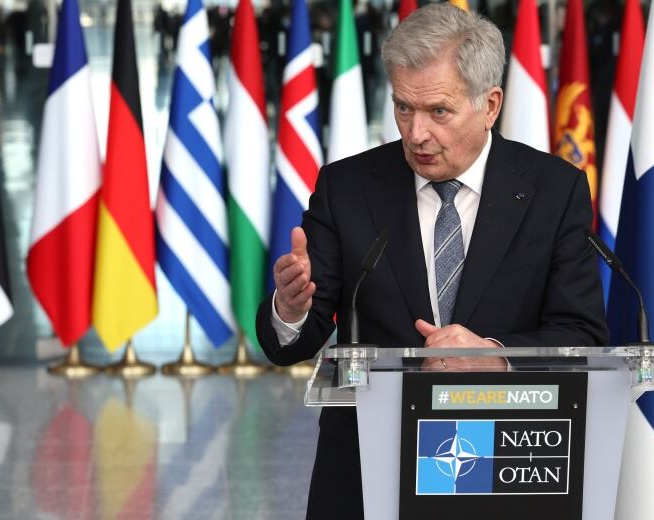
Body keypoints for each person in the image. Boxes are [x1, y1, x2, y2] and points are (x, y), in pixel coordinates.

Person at [255, 4, 608, 519]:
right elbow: (296, 343)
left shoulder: (554, 191)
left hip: (510, 461)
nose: (416, 133)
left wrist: (494, 354)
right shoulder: (347, 187)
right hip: (367, 472)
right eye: (403, 108)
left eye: (438, 112)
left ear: (490, 105)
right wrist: (290, 309)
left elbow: (582, 334)